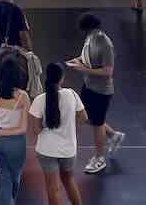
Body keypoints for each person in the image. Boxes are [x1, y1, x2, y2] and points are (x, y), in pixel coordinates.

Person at [68, 14, 124, 174]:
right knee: (87, 117)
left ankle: (100, 158)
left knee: (97, 123)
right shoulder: (90, 38)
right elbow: (86, 56)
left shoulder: (105, 44)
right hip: (88, 86)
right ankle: (113, 135)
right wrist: (77, 60)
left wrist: (82, 69)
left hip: (101, 91)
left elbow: (108, 71)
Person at [28, 64, 87, 205]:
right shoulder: (72, 95)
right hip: (68, 150)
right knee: (69, 180)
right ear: (62, 78)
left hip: (46, 151)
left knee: (53, 188)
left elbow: (36, 130)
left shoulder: (39, 100)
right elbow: (84, 117)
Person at [0, 56, 30, 205]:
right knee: (15, 179)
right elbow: (23, 128)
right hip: (18, 146)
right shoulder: (23, 97)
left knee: (2, 183)